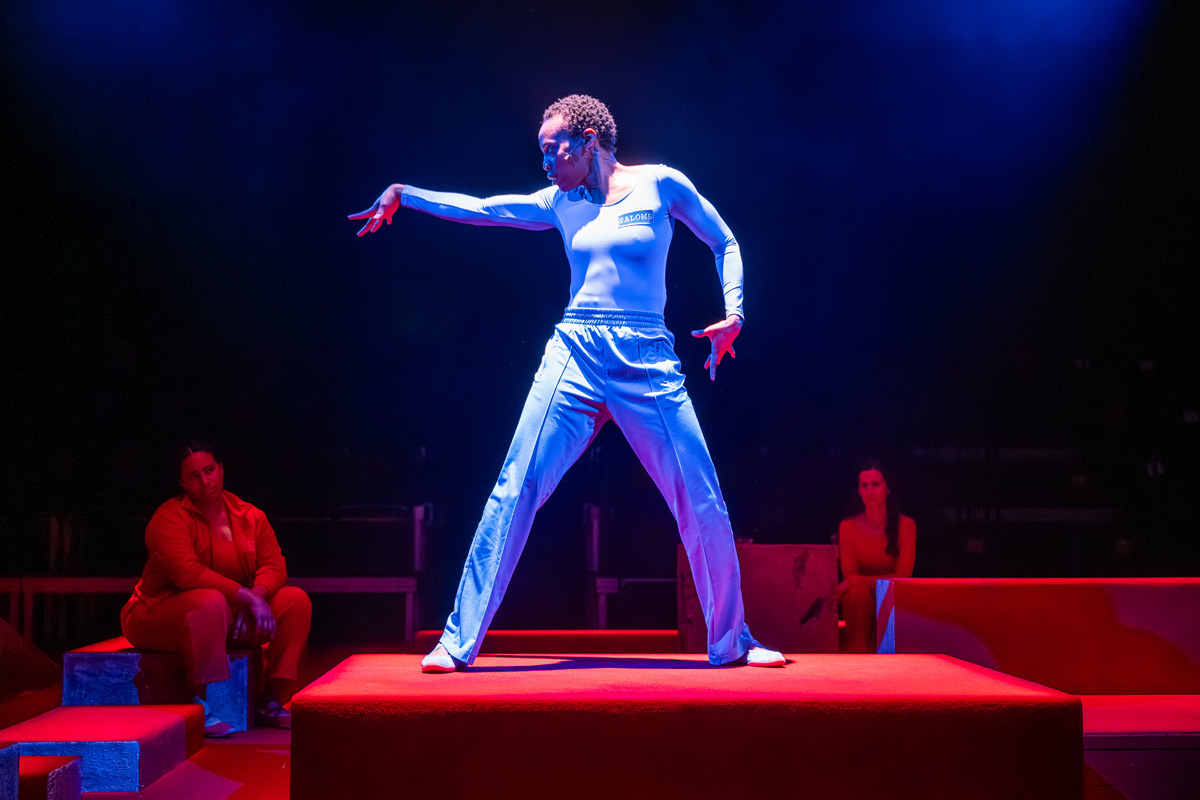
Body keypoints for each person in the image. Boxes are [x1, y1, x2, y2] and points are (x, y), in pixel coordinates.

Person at [349, 94, 783, 672]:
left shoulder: (661, 184)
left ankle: (732, 641)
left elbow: (723, 241)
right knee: (516, 486)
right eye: (542, 152)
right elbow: (484, 209)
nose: (546, 162)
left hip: (647, 357)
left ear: (588, 141)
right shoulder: (559, 201)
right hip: (575, 351)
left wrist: (735, 313)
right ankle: (457, 642)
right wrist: (406, 193)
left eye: (553, 149)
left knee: (699, 495)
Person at [121, 442, 312, 735]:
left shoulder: (251, 516)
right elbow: (188, 574)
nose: (205, 480)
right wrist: (245, 596)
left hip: (228, 616)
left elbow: (274, 565)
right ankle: (199, 703)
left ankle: (271, 700)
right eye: (194, 476)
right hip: (156, 615)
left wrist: (256, 596)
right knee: (209, 601)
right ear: (183, 483)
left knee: (295, 600)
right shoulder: (169, 518)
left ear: (221, 470)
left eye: (209, 470)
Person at [835, 462, 917, 653]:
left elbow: (903, 577)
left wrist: (860, 580)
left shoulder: (905, 525)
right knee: (857, 593)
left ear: (887, 488)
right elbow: (851, 577)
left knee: (869, 590)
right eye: (864, 485)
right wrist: (858, 581)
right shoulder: (848, 527)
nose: (870, 491)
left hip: (895, 597)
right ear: (859, 491)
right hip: (860, 600)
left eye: (875, 484)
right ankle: (858, 654)